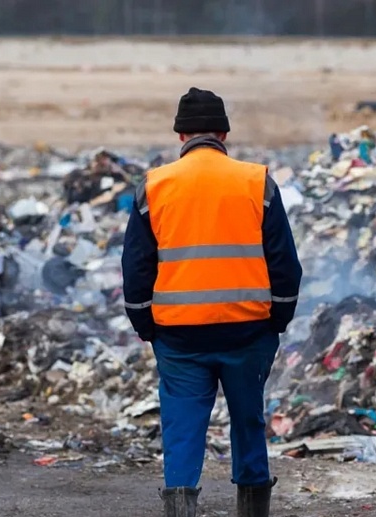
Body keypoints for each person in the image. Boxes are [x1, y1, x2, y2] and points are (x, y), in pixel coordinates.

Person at [121, 87, 303, 517]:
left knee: (182, 426)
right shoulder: (257, 182)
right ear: (223, 133)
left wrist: (146, 325)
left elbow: (136, 268)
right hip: (248, 331)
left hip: (179, 336)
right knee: (247, 420)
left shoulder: (154, 186)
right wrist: (277, 319)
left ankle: (181, 505)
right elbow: (285, 265)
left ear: (180, 136)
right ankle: (253, 507)